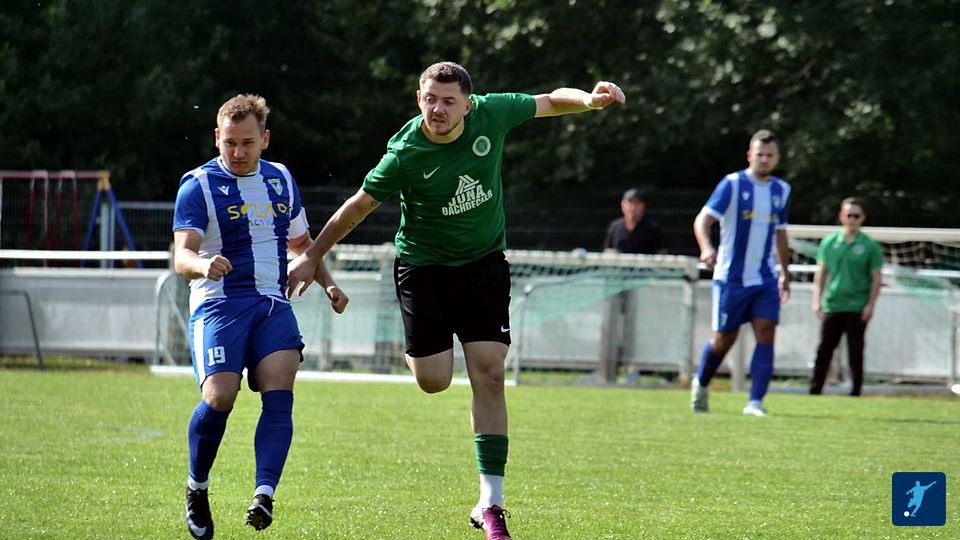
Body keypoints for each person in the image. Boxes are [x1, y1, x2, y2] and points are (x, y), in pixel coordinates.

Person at [285, 62, 624, 540]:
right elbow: (357, 207)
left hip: (484, 265)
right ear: (419, 99)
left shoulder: (493, 114)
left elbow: (549, 101)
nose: (438, 109)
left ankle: (491, 501)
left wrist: (588, 100)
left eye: (448, 101)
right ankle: (419, 346)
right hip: (424, 270)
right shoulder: (405, 153)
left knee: (490, 373)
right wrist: (311, 257)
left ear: (468, 103)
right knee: (434, 380)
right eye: (430, 99)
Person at [172, 94, 348, 539]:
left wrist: (327, 282)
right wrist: (202, 265)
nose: (237, 152)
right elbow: (182, 255)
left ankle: (264, 494)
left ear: (264, 140)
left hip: (272, 304)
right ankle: (197, 486)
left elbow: (301, 244)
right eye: (229, 142)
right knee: (220, 398)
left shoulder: (280, 179)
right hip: (219, 305)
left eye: (247, 143)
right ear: (217, 137)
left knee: (280, 390)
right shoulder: (198, 185)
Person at [690, 129, 791, 417]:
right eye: (759, 154)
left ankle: (755, 402)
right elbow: (703, 220)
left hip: (765, 277)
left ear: (777, 159)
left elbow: (781, 233)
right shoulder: (732, 184)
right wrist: (706, 248)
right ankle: (701, 383)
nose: (764, 160)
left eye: (769, 155)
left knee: (766, 330)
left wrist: (784, 272)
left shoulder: (782, 190)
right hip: (731, 278)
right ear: (749, 155)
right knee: (723, 341)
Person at [808, 197, 883, 396]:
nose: (852, 220)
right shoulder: (829, 242)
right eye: (849, 215)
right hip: (833, 303)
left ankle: (856, 391)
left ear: (863, 218)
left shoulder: (870, 246)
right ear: (841, 216)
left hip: (857, 305)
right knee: (824, 349)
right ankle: (815, 389)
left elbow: (876, 279)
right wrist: (816, 300)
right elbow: (821, 273)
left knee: (855, 351)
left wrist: (870, 305)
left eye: (856, 216)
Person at [603, 187, 664, 254]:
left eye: (636, 203)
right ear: (622, 205)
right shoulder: (615, 227)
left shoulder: (652, 228)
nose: (633, 207)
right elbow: (608, 250)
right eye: (630, 203)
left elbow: (660, 253)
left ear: (643, 206)